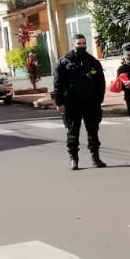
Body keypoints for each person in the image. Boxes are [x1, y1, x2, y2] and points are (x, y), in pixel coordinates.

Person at [53, 33, 107, 171]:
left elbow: (100, 82)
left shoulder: (93, 61)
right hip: (72, 104)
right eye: (79, 44)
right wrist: (59, 103)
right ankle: (74, 159)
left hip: (90, 103)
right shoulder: (64, 62)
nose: (82, 46)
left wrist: (99, 100)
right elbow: (57, 85)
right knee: (72, 132)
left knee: (93, 132)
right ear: (73, 45)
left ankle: (96, 158)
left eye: (84, 43)